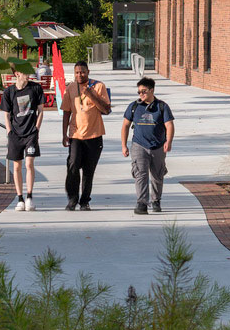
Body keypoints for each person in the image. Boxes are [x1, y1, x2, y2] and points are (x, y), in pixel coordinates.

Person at [61, 60, 111, 210]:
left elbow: (106, 110)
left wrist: (91, 95)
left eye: (82, 72)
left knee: (89, 171)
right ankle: (72, 198)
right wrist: (64, 134)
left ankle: (84, 201)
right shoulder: (70, 88)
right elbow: (66, 112)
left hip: (94, 135)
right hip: (76, 135)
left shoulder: (98, 86)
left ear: (88, 72)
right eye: (77, 72)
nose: (79, 75)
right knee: (73, 166)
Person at [121, 76, 174, 214]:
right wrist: (124, 145)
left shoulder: (162, 106)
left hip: (158, 146)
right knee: (140, 174)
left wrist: (169, 141)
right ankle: (142, 203)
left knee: (157, 175)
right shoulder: (134, 107)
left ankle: (156, 201)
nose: (141, 94)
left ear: (152, 90)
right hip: (139, 145)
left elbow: (169, 125)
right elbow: (125, 126)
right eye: (139, 92)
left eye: (144, 91)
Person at [0, 67, 47, 211]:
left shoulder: (36, 88)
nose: (29, 75)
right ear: (17, 74)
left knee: (29, 163)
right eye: (26, 72)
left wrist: (36, 129)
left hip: (31, 133)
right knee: (17, 166)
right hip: (15, 134)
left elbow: (40, 111)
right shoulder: (9, 92)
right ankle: (19, 198)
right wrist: (9, 131)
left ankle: (29, 197)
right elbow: (7, 115)